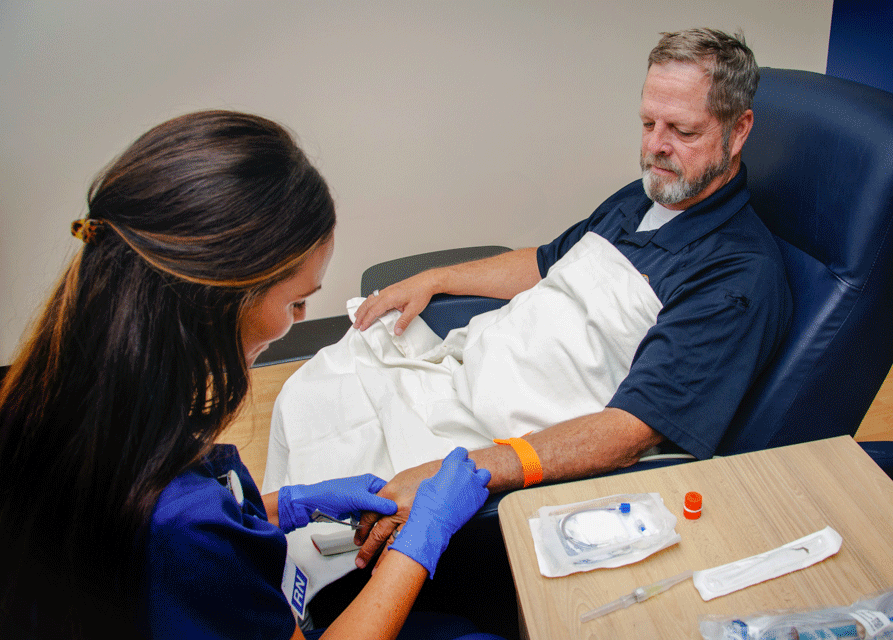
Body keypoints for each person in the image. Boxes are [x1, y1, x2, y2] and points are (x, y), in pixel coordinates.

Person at [0, 111, 503, 640]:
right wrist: (421, 541)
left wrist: (284, 507)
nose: (301, 320)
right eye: (297, 302)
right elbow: (185, 537)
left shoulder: (49, 403)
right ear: (219, 300)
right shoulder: (181, 525)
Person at [349, 28, 792, 568]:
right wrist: (436, 278)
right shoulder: (645, 195)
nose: (656, 146)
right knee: (328, 387)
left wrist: (462, 474)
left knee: (345, 495)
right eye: (648, 123)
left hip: (495, 445)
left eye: (682, 129)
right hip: (460, 380)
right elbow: (546, 262)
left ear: (738, 129)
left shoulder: (737, 275)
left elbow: (627, 433)